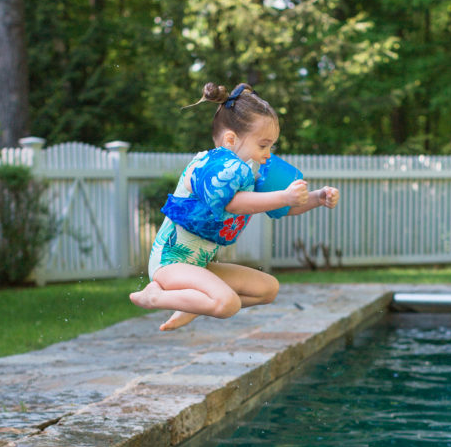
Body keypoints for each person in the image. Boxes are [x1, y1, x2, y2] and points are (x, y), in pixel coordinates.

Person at [129, 82, 340, 331]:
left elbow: (280, 207)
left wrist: (316, 198)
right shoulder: (209, 166)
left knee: (267, 289)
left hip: (199, 265)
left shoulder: (248, 175)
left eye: (272, 146)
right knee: (227, 304)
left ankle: (192, 305)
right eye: (263, 145)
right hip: (171, 262)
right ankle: (154, 297)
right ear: (230, 139)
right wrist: (284, 196)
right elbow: (233, 203)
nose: (268, 154)